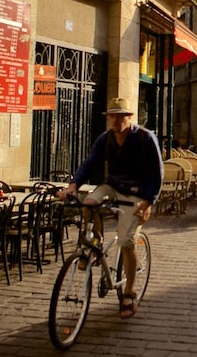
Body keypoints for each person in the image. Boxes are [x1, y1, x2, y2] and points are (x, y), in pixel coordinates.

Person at [59, 98, 163, 319]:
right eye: (112, 116)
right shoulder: (106, 139)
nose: (115, 120)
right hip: (112, 186)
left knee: (126, 241)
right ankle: (93, 241)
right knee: (88, 203)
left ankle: (129, 292)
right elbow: (90, 162)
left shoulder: (145, 138)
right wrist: (73, 186)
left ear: (130, 117)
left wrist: (149, 201)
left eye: (120, 116)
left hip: (136, 193)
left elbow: (157, 172)